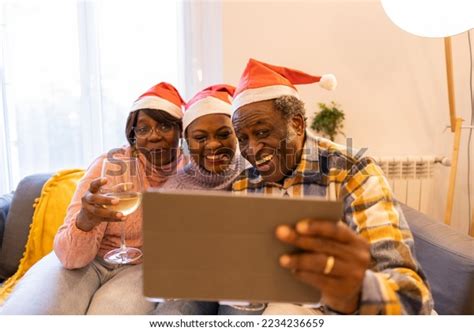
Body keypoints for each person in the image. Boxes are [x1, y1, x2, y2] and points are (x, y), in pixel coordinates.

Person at [230, 58, 434, 315]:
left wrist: (358, 292)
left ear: (297, 124)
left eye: (262, 132)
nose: (252, 149)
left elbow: (413, 299)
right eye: (242, 138)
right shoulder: (245, 184)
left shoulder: (352, 170)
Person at [0, 82, 187, 314]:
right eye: (143, 129)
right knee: (30, 314)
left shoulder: (191, 173)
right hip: (86, 261)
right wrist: (85, 221)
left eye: (164, 126)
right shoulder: (109, 165)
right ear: (133, 134)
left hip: (139, 268)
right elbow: (70, 258)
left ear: (181, 131)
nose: (153, 136)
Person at [153, 84, 260, 315]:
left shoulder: (255, 173)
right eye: (200, 137)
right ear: (187, 143)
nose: (213, 144)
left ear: (237, 135)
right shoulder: (174, 189)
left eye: (223, 134)